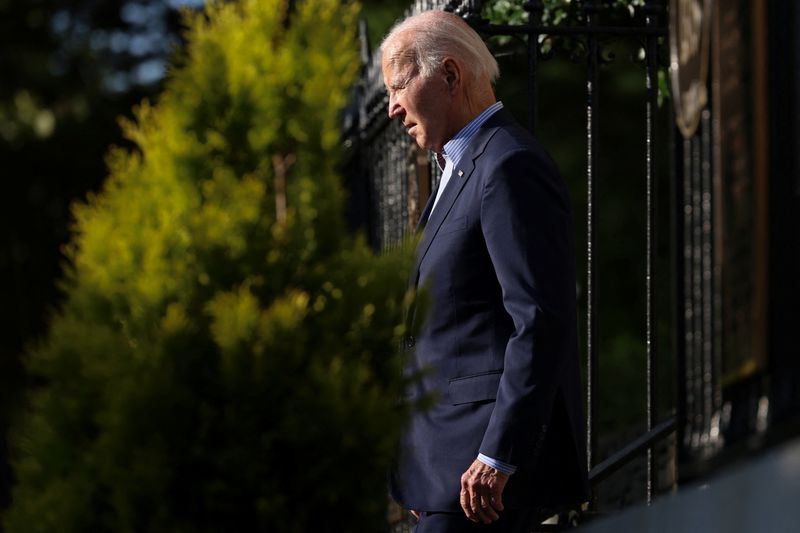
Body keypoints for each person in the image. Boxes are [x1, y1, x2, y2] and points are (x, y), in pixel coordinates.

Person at [381, 10, 589, 532]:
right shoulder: (461, 169)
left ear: (450, 75)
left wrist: (498, 456)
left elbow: (539, 319)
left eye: (398, 85)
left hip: (483, 486)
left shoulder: (508, 165)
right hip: (446, 475)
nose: (391, 108)